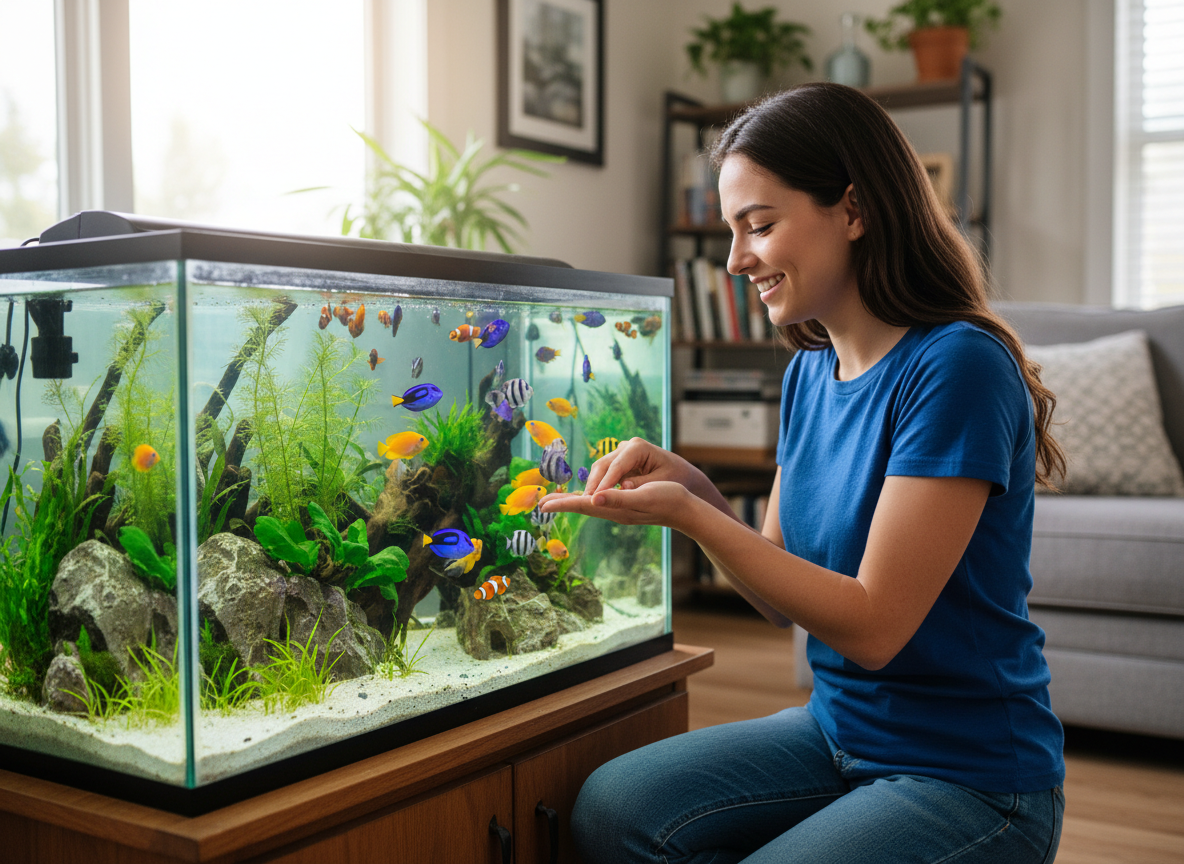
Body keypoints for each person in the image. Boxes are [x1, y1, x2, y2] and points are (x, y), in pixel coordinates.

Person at [540, 83, 1066, 864]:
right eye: (731, 230)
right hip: (837, 732)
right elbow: (778, 595)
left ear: (852, 212)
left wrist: (690, 520)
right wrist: (692, 487)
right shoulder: (809, 374)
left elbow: (875, 628)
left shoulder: (957, 366)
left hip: (972, 774)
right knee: (613, 808)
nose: (733, 259)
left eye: (759, 225)